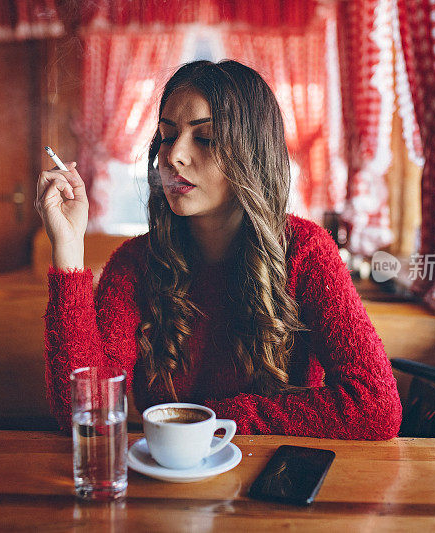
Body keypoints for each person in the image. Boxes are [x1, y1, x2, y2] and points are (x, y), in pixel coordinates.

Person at [36, 60, 401, 439]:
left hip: (268, 481)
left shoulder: (305, 251)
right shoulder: (134, 263)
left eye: (205, 138)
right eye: (166, 134)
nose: (174, 154)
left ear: (253, 153)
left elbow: (375, 406)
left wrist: (208, 420)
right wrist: (68, 249)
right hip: (167, 481)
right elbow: (83, 411)